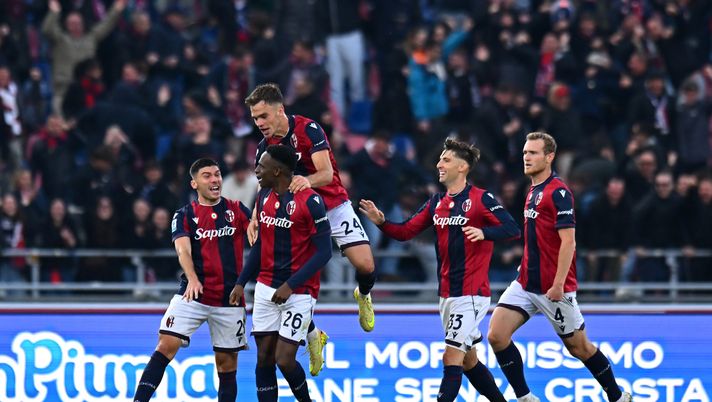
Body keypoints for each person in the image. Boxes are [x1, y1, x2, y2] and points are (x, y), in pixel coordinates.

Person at [360, 138, 520, 402]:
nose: (439, 164)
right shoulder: (437, 202)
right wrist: (382, 222)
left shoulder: (481, 199)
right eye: (440, 159)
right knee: (469, 362)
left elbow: (512, 229)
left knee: (451, 357)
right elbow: (405, 231)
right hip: (447, 293)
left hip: (471, 293)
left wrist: (484, 232)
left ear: (463, 167)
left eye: (446, 160)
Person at [487, 132, 632, 402]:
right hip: (526, 282)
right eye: (524, 153)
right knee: (496, 335)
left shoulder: (559, 192)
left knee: (580, 348)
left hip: (554, 286)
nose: (526, 158)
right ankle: (525, 397)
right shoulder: (532, 190)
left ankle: (617, 395)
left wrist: (557, 284)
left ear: (549, 156)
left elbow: (569, 243)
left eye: (533, 153)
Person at [244, 83, 376, 375]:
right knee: (292, 283)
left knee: (366, 266)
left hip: (332, 204)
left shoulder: (308, 129)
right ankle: (313, 335)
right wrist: (255, 216)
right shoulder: (264, 148)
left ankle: (363, 295)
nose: (260, 123)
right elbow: (262, 185)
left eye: (263, 116)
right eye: (255, 118)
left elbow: (327, 173)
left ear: (280, 110)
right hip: (296, 217)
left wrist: (307, 181)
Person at [132, 158, 251, 402]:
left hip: (229, 298)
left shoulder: (237, 210)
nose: (215, 180)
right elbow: (183, 251)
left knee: (227, 366)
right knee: (165, 345)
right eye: (207, 176)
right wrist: (193, 279)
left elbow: (259, 238)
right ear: (194, 183)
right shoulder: (184, 215)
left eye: (217, 174)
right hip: (192, 294)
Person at [230, 144, 332, 402]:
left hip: (298, 292)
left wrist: (290, 285)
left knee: (284, 360)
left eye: (261, 167)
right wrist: (242, 282)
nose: (256, 171)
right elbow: (262, 243)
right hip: (266, 287)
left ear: (277, 170)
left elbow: (324, 252)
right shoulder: (263, 195)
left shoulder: (311, 201)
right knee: (263, 357)